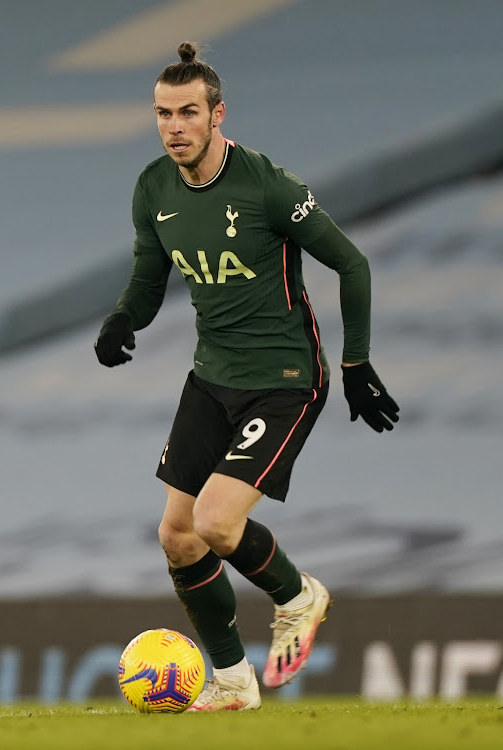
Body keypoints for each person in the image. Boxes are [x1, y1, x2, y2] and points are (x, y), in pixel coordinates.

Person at [94, 41, 399, 711]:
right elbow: (149, 280)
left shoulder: (265, 185)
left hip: (283, 378)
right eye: (162, 114)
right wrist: (123, 320)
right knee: (176, 537)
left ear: (217, 114)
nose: (173, 126)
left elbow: (351, 263)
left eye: (187, 112)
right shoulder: (153, 188)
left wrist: (355, 363)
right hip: (211, 376)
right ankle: (233, 681)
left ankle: (296, 595)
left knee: (214, 525)